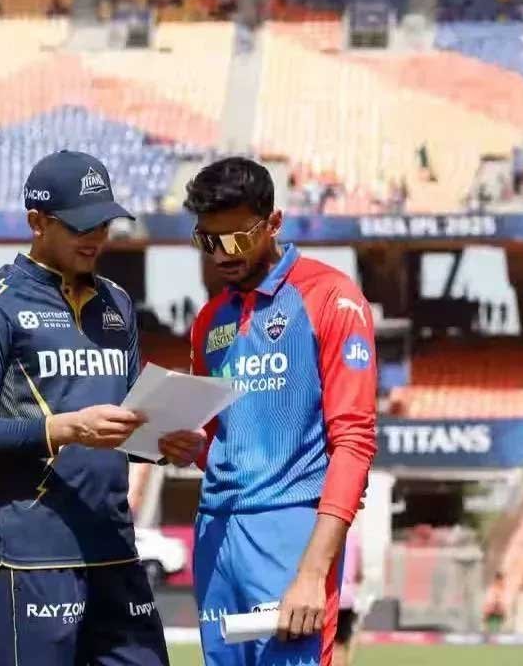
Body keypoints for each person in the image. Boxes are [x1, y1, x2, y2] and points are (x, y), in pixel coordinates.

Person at [0, 150, 169, 666]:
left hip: (115, 549)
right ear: (37, 222)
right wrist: (63, 429)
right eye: (80, 225)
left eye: (104, 224)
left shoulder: (118, 303)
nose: (96, 237)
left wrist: (163, 442)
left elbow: (124, 428)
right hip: (33, 556)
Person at [158, 157, 378, 666]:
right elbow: (227, 440)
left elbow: (354, 442)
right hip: (215, 535)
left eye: (236, 239)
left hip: (289, 535)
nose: (222, 255)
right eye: (208, 241)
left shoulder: (331, 298)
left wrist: (312, 572)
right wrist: (193, 449)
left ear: (273, 223)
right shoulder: (209, 321)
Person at [334, 521, 364, 666]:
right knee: (340, 644)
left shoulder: (326, 535)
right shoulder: (354, 537)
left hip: (329, 597)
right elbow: (359, 573)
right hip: (347, 599)